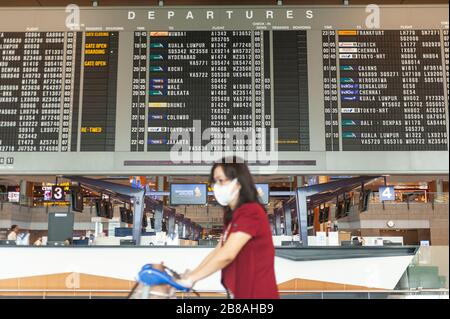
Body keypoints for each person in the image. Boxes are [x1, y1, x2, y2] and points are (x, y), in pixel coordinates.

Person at [177, 157, 279, 299]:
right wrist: (191, 274)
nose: (216, 186)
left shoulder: (251, 212)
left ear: (238, 182)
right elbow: (219, 250)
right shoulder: (233, 216)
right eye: (214, 181)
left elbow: (227, 255)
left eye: (220, 180)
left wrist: (191, 278)